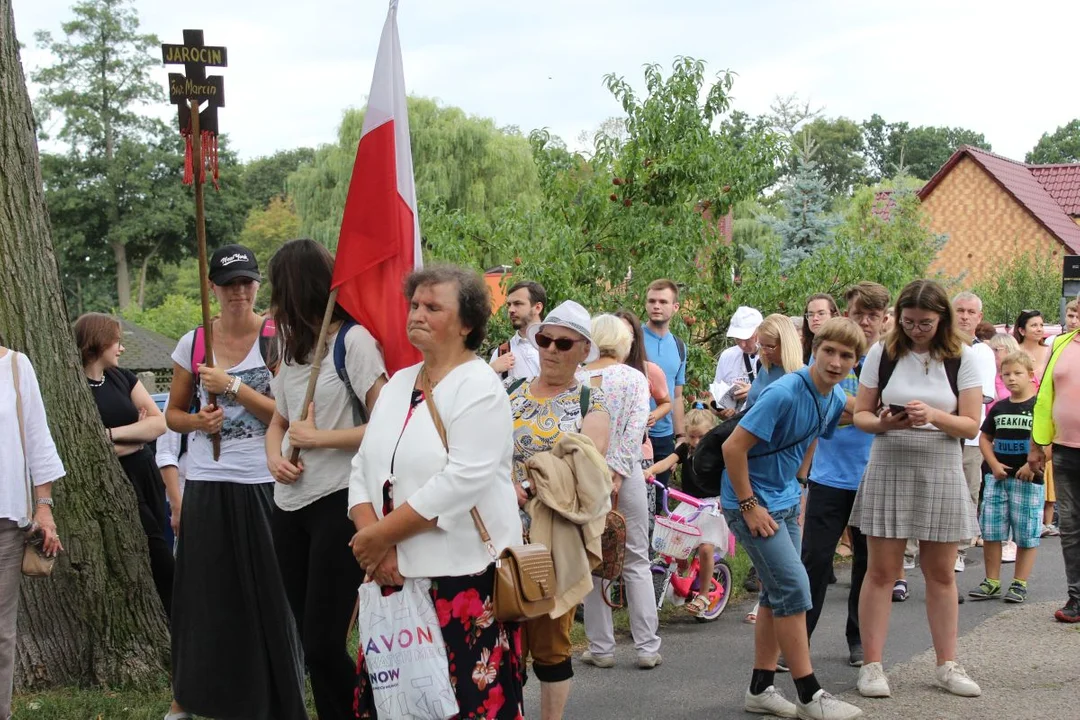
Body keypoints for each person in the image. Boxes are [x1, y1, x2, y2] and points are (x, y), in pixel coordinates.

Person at [348, 264, 525, 718]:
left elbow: (461, 480)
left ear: (467, 323)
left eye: (432, 307)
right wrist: (376, 544)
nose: (417, 315)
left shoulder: (480, 386)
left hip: (461, 581)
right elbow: (362, 467)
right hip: (394, 578)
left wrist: (382, 537)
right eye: (414, 305)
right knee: (399, 706)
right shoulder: (398, 384)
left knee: (466, 705)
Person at [165, 244, 307, 720]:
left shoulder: (276, 338)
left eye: (246, 282)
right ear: (213, 288)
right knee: (204, 593)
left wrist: (233, 387)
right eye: (228, 285)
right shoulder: (195, 342)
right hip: (207, 478)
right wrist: (198, 424)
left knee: (270, 590)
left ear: (257, 286)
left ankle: (277, 696)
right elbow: (172, 416)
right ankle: (190, 696)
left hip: (261, 479)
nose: (238, 293)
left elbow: (285, 415)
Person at [263, 239, 388, 720]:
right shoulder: (293, 350)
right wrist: (275, 456)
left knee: (321, 643)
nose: (272, 302)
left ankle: (368, 711)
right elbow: (280, 419)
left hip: (340, 504)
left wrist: (321, 439)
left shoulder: (353, 342)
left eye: (278, 289)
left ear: (296, 288)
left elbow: (385, 423)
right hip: (288, 507)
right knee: (310, 641)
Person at [722, 318, 865, 720]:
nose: (836, 362)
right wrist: (750, 506)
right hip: (749, 502)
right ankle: (809, 694)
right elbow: (734, 449)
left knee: (775, 593)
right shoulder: (784, 391)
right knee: (794, 588)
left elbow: (845, 417)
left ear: (855, 362)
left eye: (846, 356)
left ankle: (761, 690)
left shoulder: (832, 395)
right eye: (829, 351)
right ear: (813, 350)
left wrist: (800, 480)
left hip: (783, 500)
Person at [851, 279, 983, 700]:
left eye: (925, 322)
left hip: (941, 463)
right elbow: (861, 416)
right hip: (890, 458)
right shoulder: (883, 351)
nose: (916, 330)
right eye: (908, 321)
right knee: (882, 572)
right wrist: (887, 423)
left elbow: (971, 424)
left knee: (941, 573)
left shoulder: (963, 356)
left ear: (941, 318)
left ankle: (947, 664)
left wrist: (934, 416)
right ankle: (872, 667)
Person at [507, 300, 612, 719]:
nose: (550, 349)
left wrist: (529, 484)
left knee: (551, 642)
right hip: (503, 535)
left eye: (562, 343)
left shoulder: (591, 402)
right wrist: (503, 484)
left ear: (583, 349)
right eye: (545, 339)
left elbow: (588, 468)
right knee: (504, 639)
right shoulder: (510, 392)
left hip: (556, 540)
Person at [801, 281, 890, 669]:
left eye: (873, 316)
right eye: (858, 314)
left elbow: (893, 414)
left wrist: (853, 413)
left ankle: (858, 640)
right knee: (815, 562)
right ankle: (798, 639)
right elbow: (820, 410)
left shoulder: (892, 361)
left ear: (885, 320)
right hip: (829, 476)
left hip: (875, 476)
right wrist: (869, 414)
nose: (865, 323)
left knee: (867, 567)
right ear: (845, 315)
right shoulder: (832, 357)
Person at [74, 314, 173, 614]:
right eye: (116, 342)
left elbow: (158, 424)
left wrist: (108, 434)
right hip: (115, 480)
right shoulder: (73, 386)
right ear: (99, 341)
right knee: (159, 555)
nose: (121, 349)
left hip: (144, 472)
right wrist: (135, 437)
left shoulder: (122, 377)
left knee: (160, 545)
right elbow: (82, 449)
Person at [580, 315, 662, 666]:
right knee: (636, 558)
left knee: (591, 559)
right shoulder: (634, 377)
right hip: (626, 474)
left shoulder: (578, 378)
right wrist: (617, 470)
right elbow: (634, 429)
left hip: (584, 475)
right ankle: (647, 648)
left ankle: (601, 648)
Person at [1, 347, 63, 720]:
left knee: (1, 635)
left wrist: (44, 509)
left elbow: (38, 440)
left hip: (6, 522)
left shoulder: (15, 366)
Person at [968, 352, 1042, 603]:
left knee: (1026, 532)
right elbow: (985, 438)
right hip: (997, 479)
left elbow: (1050, 443)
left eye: (1017, 373)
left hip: (1029, 480)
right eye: (1006, 374)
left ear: (1031, 375)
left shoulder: (1039, 407)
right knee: (992, 531)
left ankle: (1019, 582)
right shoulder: (999, 407)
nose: (1011, 379)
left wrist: (1032, 466)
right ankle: (992, 580)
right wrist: (993, 463)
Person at [645, 409, 728, 616]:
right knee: (672, 543)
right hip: (689, 503)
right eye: (692, 436)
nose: (697, 441)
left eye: (702, 436)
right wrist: (651, 471)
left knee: (706, 548)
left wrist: (727, 499)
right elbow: (667, 462)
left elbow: (729, 475)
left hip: (711, 506)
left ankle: (703, 594)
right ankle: (682, 571)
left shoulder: (719, 451)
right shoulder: (685, 449)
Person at [1028, 320, 1080, 623]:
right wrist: (1037, 443)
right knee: (1071, 528)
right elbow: (1044, 397)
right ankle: (1076, 598)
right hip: (1063, 449)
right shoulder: (1060, 344)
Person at [952, 292, 998, 572]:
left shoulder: (982, 352)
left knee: (967, 491)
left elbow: (984, 395)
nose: (965, 317)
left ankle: (959, 548)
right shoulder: (937, 346)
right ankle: (910, 551)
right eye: (960, 310)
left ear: (979, 317)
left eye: (971, 312)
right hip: (936, 431)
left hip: (968, 435)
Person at [614, 309, 671, 535]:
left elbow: (666, 401)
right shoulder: (597, 371)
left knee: (639, 524)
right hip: (606, 452)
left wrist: (653, 416)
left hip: (641, 454)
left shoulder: (649, 370)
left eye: (628, 334)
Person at [643, 280, 687, 507]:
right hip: (636, 434)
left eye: (663, 302)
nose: (656, 306)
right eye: (651, 301)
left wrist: (680, 437)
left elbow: (677, 395)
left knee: (661, 501)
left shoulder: (679, 346)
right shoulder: (633, 340)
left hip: (664, 437)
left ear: (675, 307)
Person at [713, 306, 764, 418]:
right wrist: (721, 410)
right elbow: (715, 396)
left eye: (747, 339)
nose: (743, 344)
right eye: (738, 339)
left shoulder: (771, 355)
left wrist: (755, 391)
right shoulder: (728, 356)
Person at [490, 280, 546, 380]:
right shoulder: (502, 352)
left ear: (537, 308)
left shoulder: (558, 346)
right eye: (509, 305)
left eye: (517, 303)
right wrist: (491, 370)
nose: (510, 310)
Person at [745, 313, 802, 409]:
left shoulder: (800, 378)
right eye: (761, 345)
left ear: (786, 344)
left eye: (770, 346)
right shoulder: (766, 369)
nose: (764, 352)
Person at [801, 294, 840, 365]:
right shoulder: (802, 350)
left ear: (834, 315)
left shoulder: (845, 346)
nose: (815, 318)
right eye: (810, 314)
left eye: (821, 313)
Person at [1014, 309, 1050, 378]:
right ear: (1022, 330)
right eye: (1034, 325)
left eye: (1041, 325)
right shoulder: (1014, 352)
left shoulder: (1050, 351)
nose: (1039, 329)